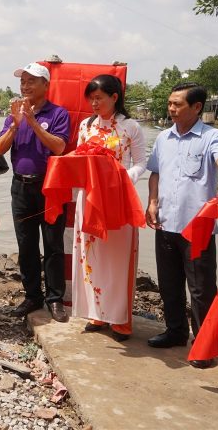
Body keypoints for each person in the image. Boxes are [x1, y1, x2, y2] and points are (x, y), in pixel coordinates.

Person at [145, 82, 218, 368]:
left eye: (178, 104)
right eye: (170, 103)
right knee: (169, 283)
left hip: (196, 226)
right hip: (165, 223)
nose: (171, 109)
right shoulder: (164, 138)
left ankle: (204, 343)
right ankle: (175, 332)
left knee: (201, 288)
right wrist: (151, 202)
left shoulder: (213, 136)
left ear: (196, 107)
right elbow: (155, 173)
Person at [71, 75, 146, 341]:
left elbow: (140, 163)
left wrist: (121, 178)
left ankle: (121, 320)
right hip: (90, 198)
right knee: (91, 255)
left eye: (98, 98)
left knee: (118, 257)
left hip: (118, 199)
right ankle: (96, 312)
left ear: (115, 97)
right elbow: (79, 159)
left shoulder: (131, 127)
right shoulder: (85, 126)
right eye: (90, 98)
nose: (93, 103)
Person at [0, 62, 70, 323]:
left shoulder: (58, 114)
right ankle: (32, 296)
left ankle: (55, 298)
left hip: (49, 187)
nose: (25, 86)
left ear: (45, 85)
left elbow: (59, 147)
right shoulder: (13, 115)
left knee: (52, 244)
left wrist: (33, 123)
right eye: (23, 81)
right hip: (21, 187)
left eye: (31, 81)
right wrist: (17, 124)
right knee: (26, 245)